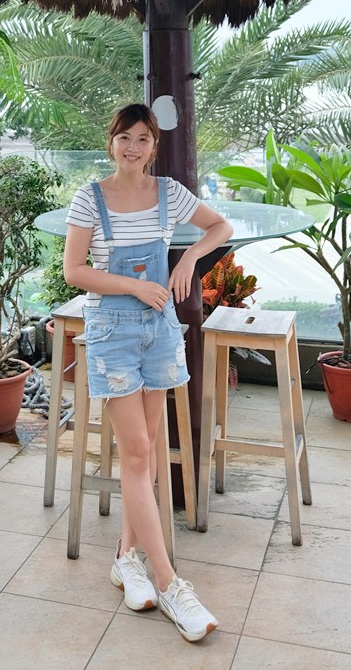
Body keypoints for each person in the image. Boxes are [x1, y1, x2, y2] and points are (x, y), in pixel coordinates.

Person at [63, 103, 232, 643]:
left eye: (143, 138)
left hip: (159, 330)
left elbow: (220, 226)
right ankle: (171, 583)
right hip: (112, 330)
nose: (132, 147)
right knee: (138, 453)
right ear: (110, 142)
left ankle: (125, 560)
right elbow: (74, 271)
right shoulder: (90, 197)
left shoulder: (168, 194)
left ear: (153, 147)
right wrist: (136, 285)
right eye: (124, 137)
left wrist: (188, 260)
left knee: (149, 449)